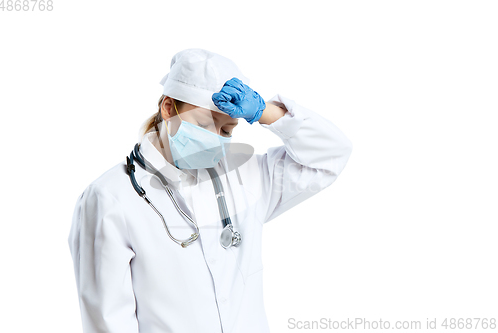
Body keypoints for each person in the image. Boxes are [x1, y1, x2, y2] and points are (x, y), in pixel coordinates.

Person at [67, 48, 353, 333]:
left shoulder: (247, 177)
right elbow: (108, 322)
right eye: (204, 124)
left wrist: (265, 112)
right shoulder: (110, 198)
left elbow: (330, 156)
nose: (215, 140)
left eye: (227, 130)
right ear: (168, 108)